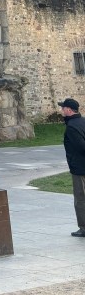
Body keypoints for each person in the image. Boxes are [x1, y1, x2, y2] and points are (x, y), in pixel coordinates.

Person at [59, 97, 85, 236]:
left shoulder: (72, 127)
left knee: (80, 198)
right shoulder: (83, 121)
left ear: (69, 110)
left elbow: (81, 147)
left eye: (63, 108)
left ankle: (84, 228)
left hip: (80, 168)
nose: (61, 110)